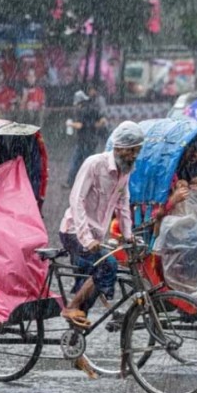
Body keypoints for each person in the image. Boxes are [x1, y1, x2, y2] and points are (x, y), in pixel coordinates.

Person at [59, 121, 144, 378]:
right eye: (132, 151)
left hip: (97, 235)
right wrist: (85, 238)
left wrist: (129, 237)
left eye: (137, 151)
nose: (134, 156)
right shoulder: (95, 163)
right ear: (119, 147)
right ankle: (70, 306)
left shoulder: (124, 172)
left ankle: (74, 347)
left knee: (97, 284)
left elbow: (123, 203)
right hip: (74, 232)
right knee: (106, 268)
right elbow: (77, 200)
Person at [64, 89, 107, 188]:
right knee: (91, 163)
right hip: (93, 140)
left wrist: (70, 124)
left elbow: (79, 125)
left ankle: (71, 182)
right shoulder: (94, 109)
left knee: (76, 161)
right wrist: (94, 126)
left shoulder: (81, 111)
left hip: (83, 140)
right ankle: (94, 183)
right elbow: (103, 121)